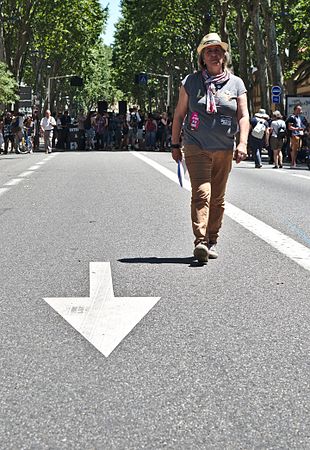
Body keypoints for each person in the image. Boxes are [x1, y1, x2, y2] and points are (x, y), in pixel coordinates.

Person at [171, 32, 249, 263]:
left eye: (218, 50)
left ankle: (213, 239)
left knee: (218, 198)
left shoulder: (236, 83)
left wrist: (242, 142)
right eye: (209, 51)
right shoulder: (190, 82)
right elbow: (179, 115)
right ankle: (200, 242)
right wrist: (175, 144)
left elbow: (243, 116)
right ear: (202, 57)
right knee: (202, 193)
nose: (214, 54)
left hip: (224, 147)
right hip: (196, 145)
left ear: (224, 56)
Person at [286, 104, 308, 168]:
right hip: (294, 135)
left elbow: (306, 125)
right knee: (294, 149)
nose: (300, 111)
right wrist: (298, 129)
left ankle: (294, 161)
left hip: (300, 135)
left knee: (298, 149)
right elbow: (289, 127)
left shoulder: (301, 118)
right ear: (295, 110)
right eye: (299, 109)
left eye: (301, 109)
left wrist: (305, 130)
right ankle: (293, 162)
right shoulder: (291, 117)